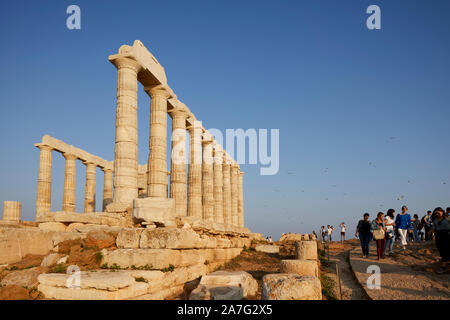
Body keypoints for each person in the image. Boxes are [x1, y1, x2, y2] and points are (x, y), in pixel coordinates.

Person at [431, 207, 450, 274]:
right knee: (441, 250)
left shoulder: (447, 218)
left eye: (438, 212)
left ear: (442, 212)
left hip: (447, 235)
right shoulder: (435, 220)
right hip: (438, 236)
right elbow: (433, 229)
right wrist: (432, 234)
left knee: (446, 250)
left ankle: (443, 267)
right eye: (436, 213)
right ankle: (445, 264)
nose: (437, 214)